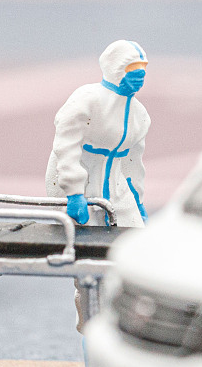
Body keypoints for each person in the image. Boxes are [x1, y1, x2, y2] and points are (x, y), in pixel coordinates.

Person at [46, 39, 150, 330]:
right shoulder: (87, 99)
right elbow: (66, 147)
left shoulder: (139, 114)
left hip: (117, 188)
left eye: (143, 69)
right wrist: (73, 192)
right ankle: (90, 324)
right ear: (116, 69)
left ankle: (120, 322)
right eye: (132, 68)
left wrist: (137, 200)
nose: (139, 75)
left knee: (134, 252)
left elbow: (133, 161)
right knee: (89, 264)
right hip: (79, 183)